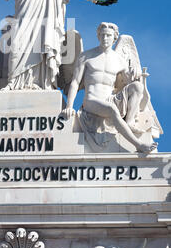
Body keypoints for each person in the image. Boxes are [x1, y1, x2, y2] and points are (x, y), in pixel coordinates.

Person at [62, 22, 157, 153]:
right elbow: (75, 83)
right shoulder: (86, 56)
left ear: (114, 38)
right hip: (91, 101)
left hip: (110, 100)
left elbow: (128, 82)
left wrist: (136, 72)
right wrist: (69, 106)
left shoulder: (119, 60)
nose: (105, 38)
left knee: (137, 87)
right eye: (102, 35)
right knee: (111, 109)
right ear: (98, 36)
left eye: (108, 35)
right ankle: (138, 144)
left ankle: (129, 122)